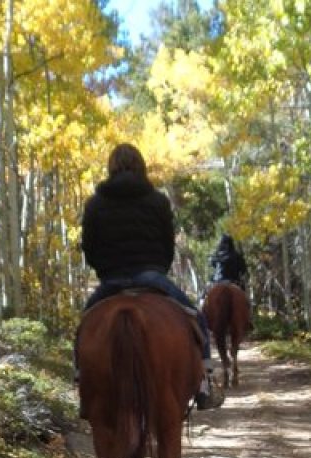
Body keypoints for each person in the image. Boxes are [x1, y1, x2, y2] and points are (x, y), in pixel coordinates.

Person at [80, 143, 222, 411]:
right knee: (196, 317)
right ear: (141, 165)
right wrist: (158, 268)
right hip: (151, 275)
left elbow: (89, 246)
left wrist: (105, 271)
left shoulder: (95, 203)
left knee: (84, 325)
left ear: (111, 167)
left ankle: (83, 382)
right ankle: (205, 384)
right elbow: (167, 244)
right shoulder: (157, 200)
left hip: (112, 280)